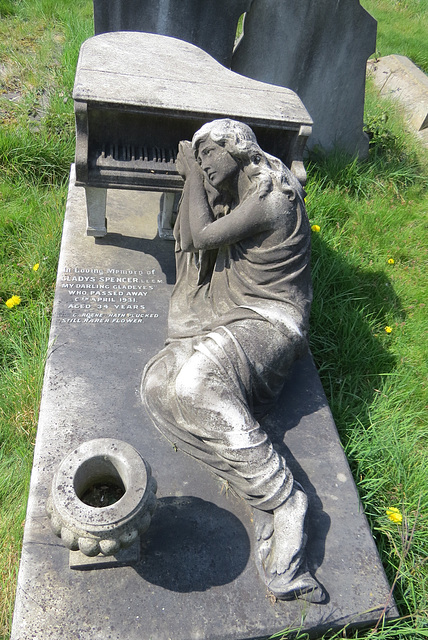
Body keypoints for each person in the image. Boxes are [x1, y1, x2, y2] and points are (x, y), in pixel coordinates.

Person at [142, 119, 325, 602]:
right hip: (233, 312)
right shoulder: (250, 188)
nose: (202, 164)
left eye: (207, 155)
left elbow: (202, 237)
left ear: (236, 148)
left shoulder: (270, 199)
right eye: (197, 158)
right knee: (158, 384)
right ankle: (251, 485)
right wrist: (199, 178)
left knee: (193, 387)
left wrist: (188, 179)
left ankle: (286, 502)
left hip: (270, 322)